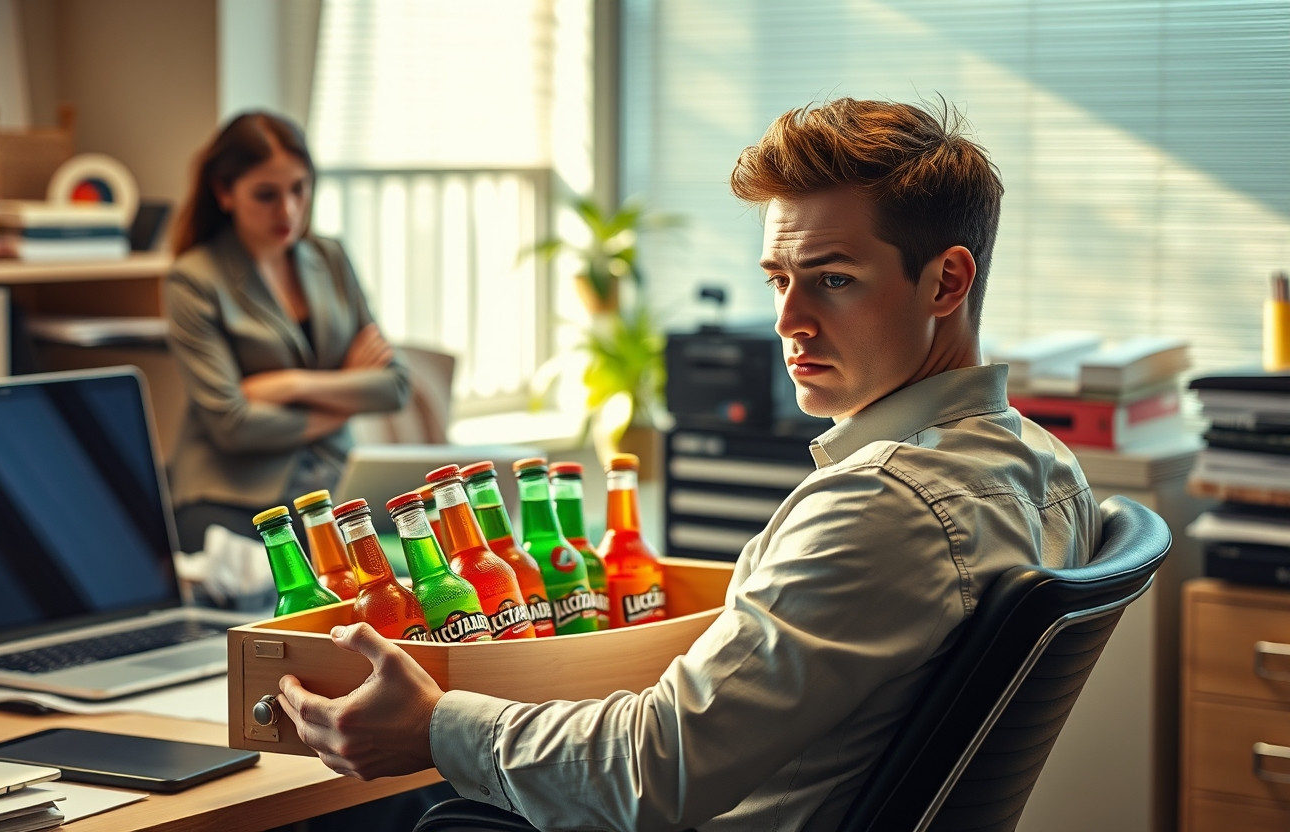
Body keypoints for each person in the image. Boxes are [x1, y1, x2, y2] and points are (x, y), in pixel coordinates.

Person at [274, 98, 1103, 831]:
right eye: (779, 278)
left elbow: (653, 771)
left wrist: (432, 726)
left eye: (834, 280)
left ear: (946, 282)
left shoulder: (883, 504)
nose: (790, 321)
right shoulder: (1051, 471)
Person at [164, 112, 410, 554]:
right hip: (232, 497)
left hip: (333, 483)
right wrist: (340, 404)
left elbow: (394, 386)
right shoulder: (194, 279)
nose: (289, 211)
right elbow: (233, 424)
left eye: (300, 189)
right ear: (224, 193)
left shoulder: (330, 257)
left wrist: (290, 385)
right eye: (266, 195)